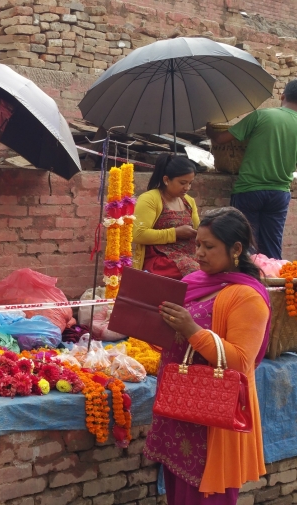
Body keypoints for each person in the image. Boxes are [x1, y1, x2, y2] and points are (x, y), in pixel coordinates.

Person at [145, 207, 270, 505]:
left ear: (236, 249)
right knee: (178, 493)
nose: (198, 253)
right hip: (179, 404)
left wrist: (190, 329)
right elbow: (175, 340)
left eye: (209, 246)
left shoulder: (247, 297)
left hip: (212, 416)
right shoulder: (195, 282)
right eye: (197, 244)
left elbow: (241, 361)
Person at [206, 79, 297, 260]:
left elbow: (222, 139)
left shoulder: (262, 116)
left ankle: (247, 285)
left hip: (249, 190)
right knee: (272, 249)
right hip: (279, 193)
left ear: (282, 96)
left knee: (245, 247)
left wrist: (210, 131)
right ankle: (273, 286)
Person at [132, 154, 200, 279]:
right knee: (195, 271)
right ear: (166, 180)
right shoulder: (150, 199)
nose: (187, 188)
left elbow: (198, 228)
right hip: (161, 260)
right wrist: (175, 233)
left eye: (190, 183)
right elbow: (138, 234)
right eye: (183, 183)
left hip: (190, 256)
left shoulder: (189, 201)